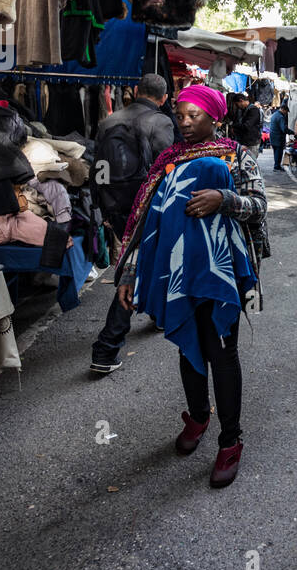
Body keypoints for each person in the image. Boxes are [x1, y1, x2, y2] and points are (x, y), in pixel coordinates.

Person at [114, 84, 269, 489]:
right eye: (179, 115)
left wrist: (223, 198)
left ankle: (230, 440)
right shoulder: (166, 160)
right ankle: (199, 414)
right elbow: (145, 222)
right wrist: (130, 274)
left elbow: (258, 206)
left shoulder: (235, 156)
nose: (184, 122)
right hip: (177, 275)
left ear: (213, 117)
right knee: (189, 346)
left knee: (222, 350)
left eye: (193, 115)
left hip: (222, 275)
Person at [89, 74, 177, 374]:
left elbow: (96, 168)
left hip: (115, 205)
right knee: (135, 269)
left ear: (136, 91)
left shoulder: (108, 122)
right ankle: (106, 347)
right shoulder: (161, 122)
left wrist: (102, 209)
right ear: (164, 98)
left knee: (140, 261)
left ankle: (158, 315)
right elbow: (167, 169)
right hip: (146, 207)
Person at [233, 92, 263, 161]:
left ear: (241, 101)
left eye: (238, 105)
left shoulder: (253, 110)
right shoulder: (242, 110)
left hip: (252, 142)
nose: (238, 107)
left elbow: (247, 126)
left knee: (250, 162)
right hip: (244, 142)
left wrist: (234, 126)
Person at [268, 102, 291, 173]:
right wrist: (293, 132)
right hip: (278, 138)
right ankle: (277, 167)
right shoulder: (281, 117)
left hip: (273, 137)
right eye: (286, 112)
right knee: (279, 153)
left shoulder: (274, 114)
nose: (286, 113)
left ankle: (276, 166)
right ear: (283, 110)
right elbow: (284, 129)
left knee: (276, 152)